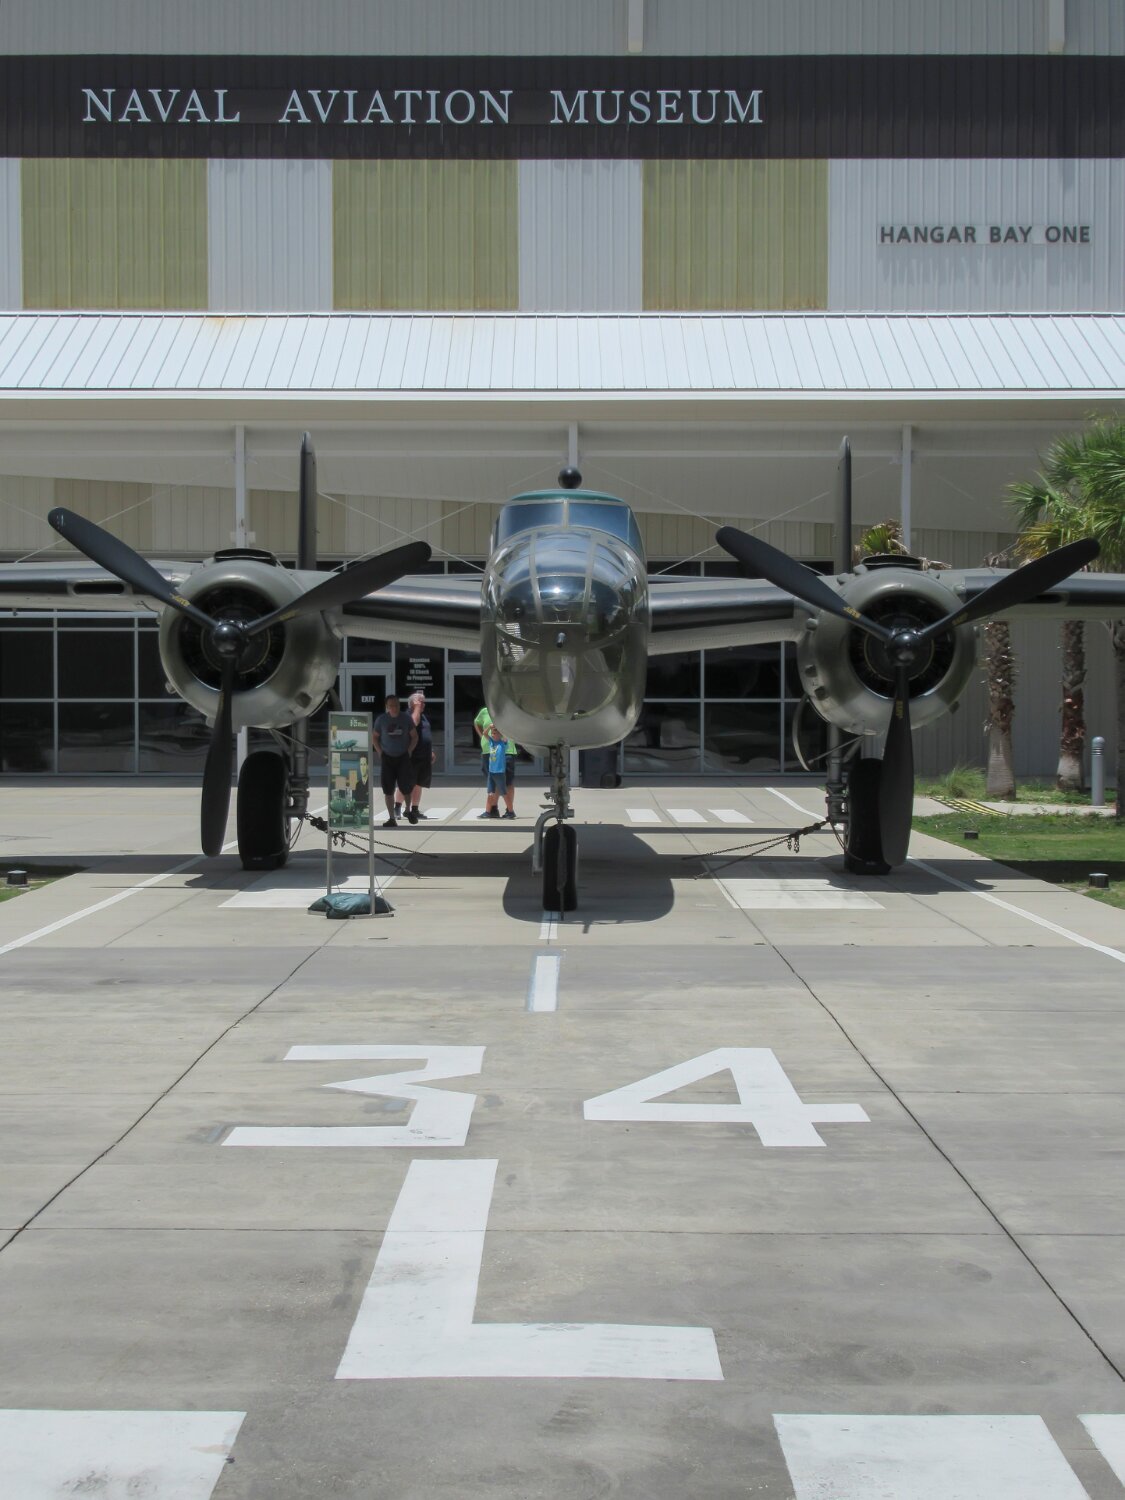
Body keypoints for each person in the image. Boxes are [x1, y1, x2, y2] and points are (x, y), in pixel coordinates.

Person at [372, 693, 418, 828]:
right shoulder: (381, 720)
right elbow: (374, 737)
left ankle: (408, 810)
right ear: (387, 706)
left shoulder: (406, 719)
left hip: (403, 757)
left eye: (396, 705)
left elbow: (414, 736)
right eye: (391, 705)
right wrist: (380, 752)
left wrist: (409, 750)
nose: (394, 708)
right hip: (387, 758)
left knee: (406, 787)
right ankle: (392, 818)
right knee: (388, 790)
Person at [473, 704, 518, 819]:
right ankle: (492, 809)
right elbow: (477, 722)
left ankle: (509, 810)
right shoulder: (485, 711)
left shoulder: (510, 710)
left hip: (506, 751)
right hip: (488, 751)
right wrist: (482, 736)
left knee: (507, 782)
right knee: (492, 781)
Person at [396, 690, 435, 819]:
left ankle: (414, 810)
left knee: (419, 783)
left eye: (423, 702)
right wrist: (417, 708)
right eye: (420, 702)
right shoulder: (407, 716)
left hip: (423, 756)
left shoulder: (423, 716)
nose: (423, 705)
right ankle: (397, 807)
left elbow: (424, 734)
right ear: (412, 703)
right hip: (410, 757)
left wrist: (430, 751)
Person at [482, 724, 507, 819]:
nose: (493, 735)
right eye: (492, 733)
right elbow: (485, 733)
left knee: (503, 793)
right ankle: (487, 812)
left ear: (500, 734)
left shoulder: (502, 743)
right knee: (490, 793)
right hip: (491, 772)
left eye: (495, 733)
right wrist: (490, 726)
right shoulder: (491, 742)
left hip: (499, 772)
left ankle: (510, 811)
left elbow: (505, 736)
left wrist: (499, 726)